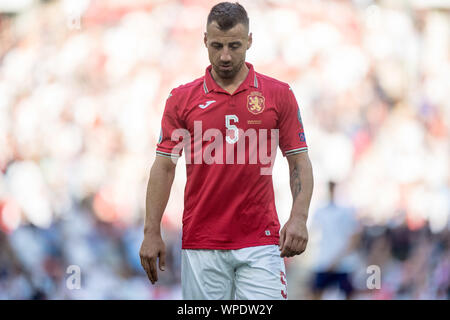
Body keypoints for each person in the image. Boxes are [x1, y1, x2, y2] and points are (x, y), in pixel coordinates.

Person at [139, 2, 313, 300]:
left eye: (234, 45)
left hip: (261, 241)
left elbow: (298, 161)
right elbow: (164, 167)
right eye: (217, 45)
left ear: (249, 41)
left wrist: (298, 217)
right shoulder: (181, 99)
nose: (225, 56)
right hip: (202, 242)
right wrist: (151, 230)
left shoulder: (277, 94)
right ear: (205, 41)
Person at [309, 181, 361, 300]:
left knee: (347, 294)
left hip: (343, 263)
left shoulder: (347, 210)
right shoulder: (319, 210)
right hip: (324, 262)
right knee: (315, 293)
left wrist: (336, 260)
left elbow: (354, 238)